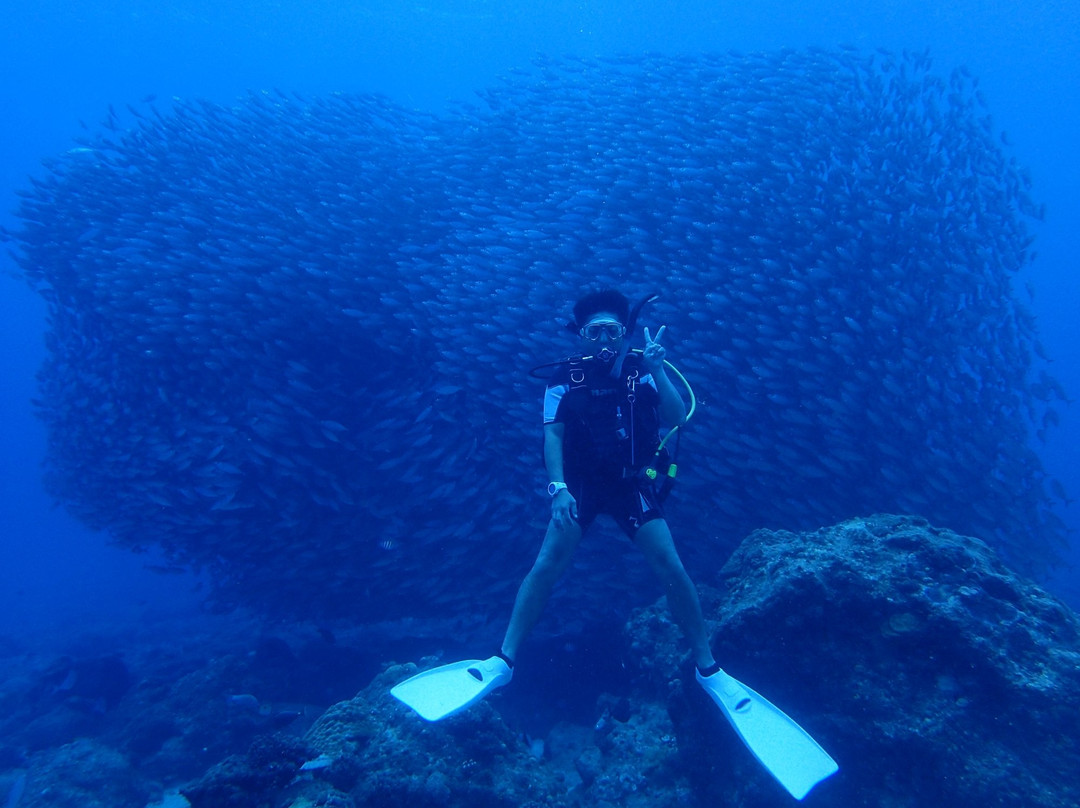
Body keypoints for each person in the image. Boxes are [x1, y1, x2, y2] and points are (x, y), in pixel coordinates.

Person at [497, 289, 719, 677]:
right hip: (580, 486)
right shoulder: (563, 377)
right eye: (594, 333)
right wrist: (558, 489)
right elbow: (553, 436)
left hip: (631, 483)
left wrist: (659, 369)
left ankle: (707, 664)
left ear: (624, 333)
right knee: (548, 563)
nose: (604, 342)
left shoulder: (641, 369)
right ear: (580, 335)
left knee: (670, 564)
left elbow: (678, 418)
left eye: (612, 332)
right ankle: (504, 659)